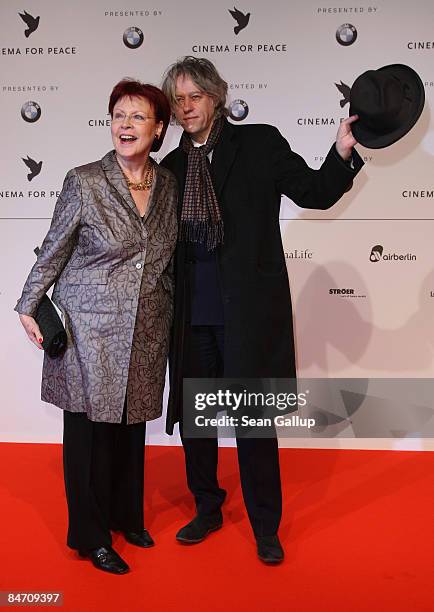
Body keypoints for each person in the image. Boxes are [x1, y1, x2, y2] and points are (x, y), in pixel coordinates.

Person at [161, 56, 363, 563]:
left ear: (216, 97)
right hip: (192, 318)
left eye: (195, 97)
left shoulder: (259, 143)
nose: (187, 108)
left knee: (254, 424)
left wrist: (341, 152)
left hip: (248, 315)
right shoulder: (170, 168)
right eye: (179, 99)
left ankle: (265, 525)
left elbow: (315, 192)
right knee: (197, 424)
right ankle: (207, 507)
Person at [15, 79, 177, 575]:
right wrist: (28, 303)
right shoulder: (84, 181)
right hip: (90, 328)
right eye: (118, 116)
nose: (125, 126)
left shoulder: (167, 185)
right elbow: (55, 246)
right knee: (87, 433)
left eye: (137, 117)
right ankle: (90, 536)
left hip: (145, 325)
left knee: (130, 426)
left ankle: (126, 516)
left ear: (159, 128)